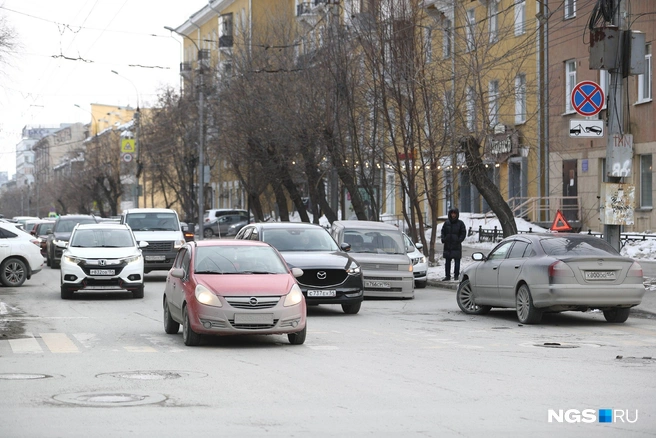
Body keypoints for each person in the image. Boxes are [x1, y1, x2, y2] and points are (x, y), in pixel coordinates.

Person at [441, 208, 467, 281]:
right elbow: (443, 232)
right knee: (447, 262)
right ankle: (447, 276)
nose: (453, 215)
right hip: (447, 245)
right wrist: (444, 239)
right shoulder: (447, 223)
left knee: (457, 262)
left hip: (456, 245)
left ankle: (456, 275)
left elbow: (463, 233)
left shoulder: (460, 223)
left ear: (457, 214)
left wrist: (459, 240)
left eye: (454, 213)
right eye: (452, 213)